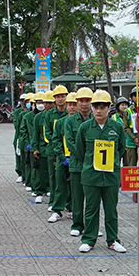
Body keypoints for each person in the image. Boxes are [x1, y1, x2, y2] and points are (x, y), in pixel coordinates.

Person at [75, 90, 126, 254]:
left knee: (111, 209)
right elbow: (80, 150)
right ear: (91, 107)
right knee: (91, 208)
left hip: (111, 175)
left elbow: (121, 148)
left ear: (109, 108)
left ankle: (113, 240)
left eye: (103, 106)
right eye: (96, 106)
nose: (98, 110)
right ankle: (89, 240)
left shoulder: (117, 127)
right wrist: (89, 164)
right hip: (91, 175)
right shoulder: (84, 128)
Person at [64, 87, 94, 237]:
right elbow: (69, 142)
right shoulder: (70, 121)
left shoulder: (97, 119)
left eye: (87, 101)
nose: (84, 104)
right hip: (77, 164)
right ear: (77, 103)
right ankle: (77, 224)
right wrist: (84, 156)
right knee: (77, 197)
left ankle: (91, 226)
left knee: (92, 198)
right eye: (81, 101)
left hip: (94, 166)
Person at [49, 91, 77, 223]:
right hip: (62, 159)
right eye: (69, 104)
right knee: (60, 185)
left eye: (74, 104)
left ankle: (72, 209)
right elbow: (56, 141)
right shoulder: (60, 122)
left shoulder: (82, 122)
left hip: (76, 159)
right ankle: (57, 211)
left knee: (74, 186)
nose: (72, 107)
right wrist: (61, 156)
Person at [43, 86, 69, 212]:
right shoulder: (50, 115)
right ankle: (53, 201)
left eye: (63, 96)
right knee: (54, 178)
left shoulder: (69, 113)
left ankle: (68, 204)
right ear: (54, 99)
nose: (60, 99)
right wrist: (56, 146)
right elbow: (47, 132)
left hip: (68, 152)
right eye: (58, 97)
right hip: (52, 150)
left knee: (68, 180)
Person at [31, 91, 54, 204]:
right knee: (41, 172)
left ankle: (49, 189)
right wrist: (35, 148)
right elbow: (35, 134)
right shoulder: (38, 117)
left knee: (52, 173)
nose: (47, 105)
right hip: (42, 148)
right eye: (46, 103)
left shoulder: (59, 116)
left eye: (50, 103)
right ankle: (39, 191)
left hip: (54, 148)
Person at [123, 87, 139, 167]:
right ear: (131, 97)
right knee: (131, 165)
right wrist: (134, 138)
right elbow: (126, 127)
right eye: (135, 96)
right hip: (131, 141)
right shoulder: (127, 111)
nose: (137, 98)